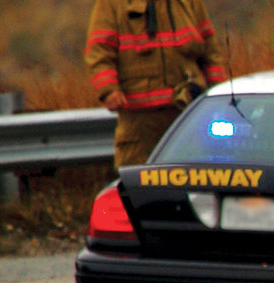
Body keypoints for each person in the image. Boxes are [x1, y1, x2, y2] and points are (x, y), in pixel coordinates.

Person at [84, 0, 227, 168]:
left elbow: (210, 50)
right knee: (137, 180)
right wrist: (109, 90)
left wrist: (219, 93)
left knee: (197, 177)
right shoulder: (112, 4)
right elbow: (99, 51)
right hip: (140, 120)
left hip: (188, 111)